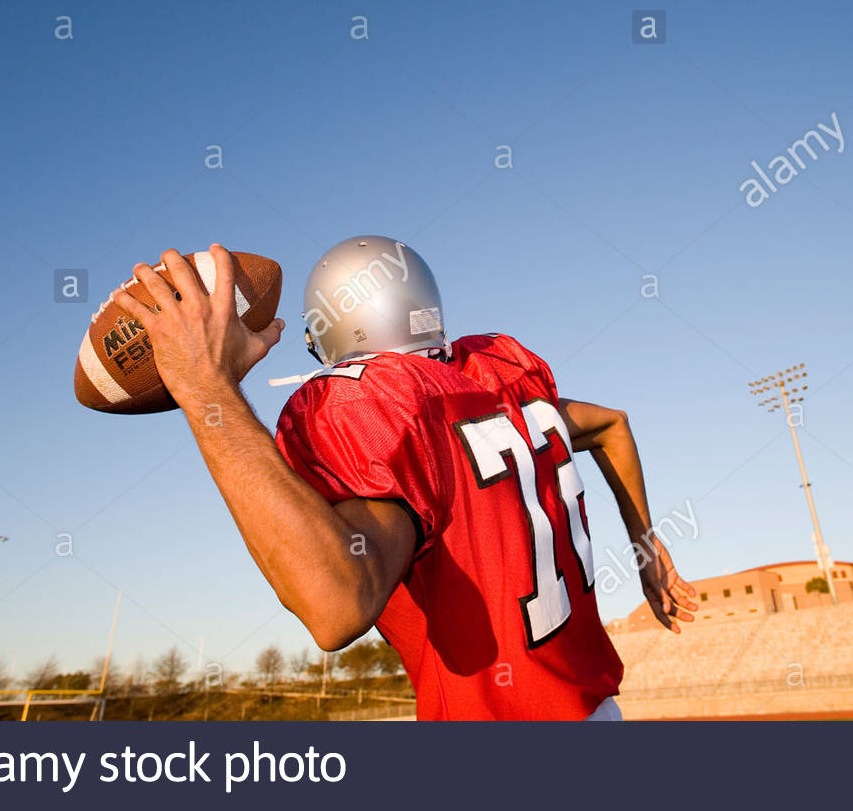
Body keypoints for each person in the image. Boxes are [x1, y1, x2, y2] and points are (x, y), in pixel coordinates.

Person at [112, 237, 695, 720]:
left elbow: (335, 607)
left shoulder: (371, 405)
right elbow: (612, 426)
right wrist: (645, 546)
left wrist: (206, 387)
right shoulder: (496, 378)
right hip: (596, 709)